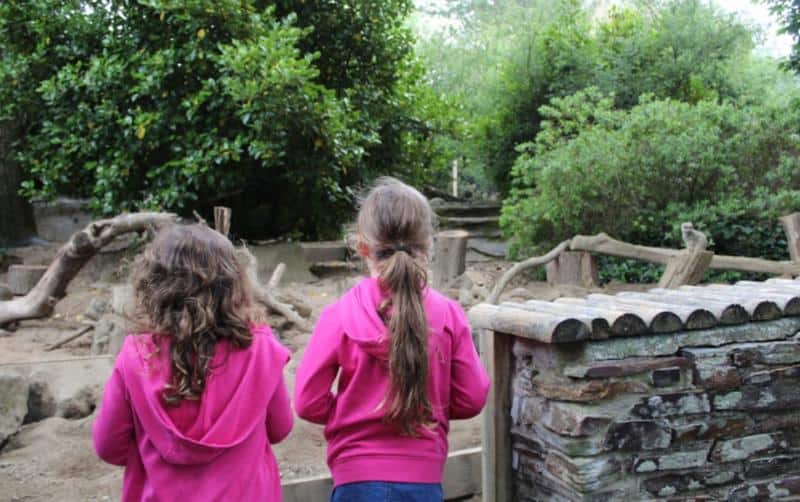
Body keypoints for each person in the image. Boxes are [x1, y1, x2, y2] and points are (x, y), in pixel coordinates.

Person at [295, 177, 490, 502]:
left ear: (362, 247)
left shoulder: (338, 316)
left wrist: (349, 413)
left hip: (354, 479)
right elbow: (472, 397)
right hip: (423, 479)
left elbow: (306, 401)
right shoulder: (450, 314)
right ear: (428, 245)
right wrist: (430, 405)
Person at [92, 224, 292, 501]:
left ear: (155, 284)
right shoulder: (260, 348)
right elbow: (280, 427)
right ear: (233, 283)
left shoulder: (136, 354)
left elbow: (107, 446)